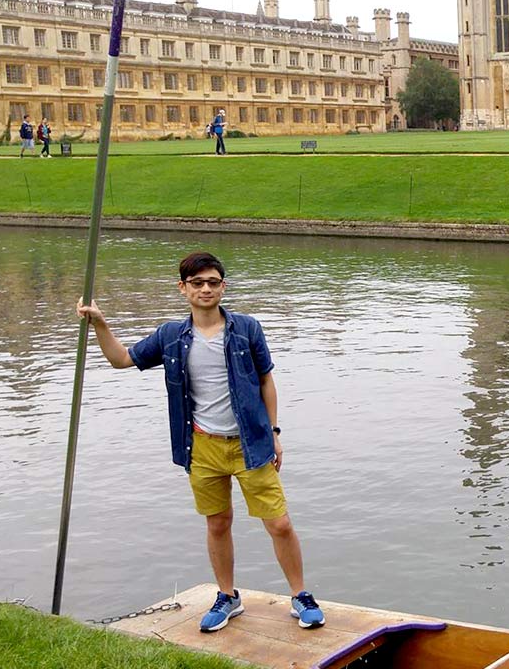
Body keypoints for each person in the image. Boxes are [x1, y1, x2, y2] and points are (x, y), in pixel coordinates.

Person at [76, 252, 325, 633]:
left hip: (250, 443)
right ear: (183, 288)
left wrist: (274, 433)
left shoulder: (247, 329)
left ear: (223, 287)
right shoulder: (170, 336)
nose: (205, 289)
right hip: (201, 445)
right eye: (197, 283)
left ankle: (301, 596)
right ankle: (227, 596)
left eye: (212, 282)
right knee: (218, 523)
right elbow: (121, 360)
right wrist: (100, 325)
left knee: (279, 523)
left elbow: (266, 382)